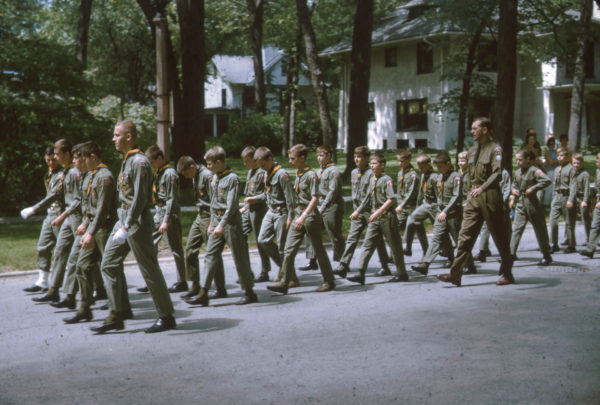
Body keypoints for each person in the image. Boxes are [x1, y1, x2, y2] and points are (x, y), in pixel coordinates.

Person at [91, 120, 176, 334]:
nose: (113, 139)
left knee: (148, 268)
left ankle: (166, 316)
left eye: (117, 135)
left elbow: (140, 197)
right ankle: (118, 312)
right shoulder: (127, 161)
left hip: (135, 222)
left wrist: (127, 226)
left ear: (129, 137)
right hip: (124, 219)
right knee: (108, 264)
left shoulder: (139, 162)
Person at [437, 117, 515, 287]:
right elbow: (469, 176)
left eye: (475, 128)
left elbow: (497, 173)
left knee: (499, 236)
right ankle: (455, 273)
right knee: (465, 236)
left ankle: (507, 273)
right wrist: (468, 196)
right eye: (471, 128)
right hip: (473, 197)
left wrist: (483, 188)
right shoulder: (472, 151)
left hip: (490, 195)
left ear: (485, 130)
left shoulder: (495, 150)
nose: (472, 131)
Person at [185, 146, 258, 306]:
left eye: (210, 164)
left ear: (219, 162)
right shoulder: (215, 178)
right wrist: (212, 223)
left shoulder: (232, 179)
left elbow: (232, 206)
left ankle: (249, 292)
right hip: (217, 221)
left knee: (239, 258)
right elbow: (212, 203)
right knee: (210, 255)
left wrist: (222, 224)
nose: (208, 167)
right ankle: (203, 292)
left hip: (231, 223)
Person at [266, 144, 336, 295]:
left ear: (302, 158)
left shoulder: (311, 175)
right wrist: (294, 216)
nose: (290, 162)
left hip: (309, 217)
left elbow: (315, 198)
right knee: (288, 249)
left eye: (293, 158)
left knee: (318, 250)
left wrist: (304, 216)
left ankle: (329, 281)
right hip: (299, 215)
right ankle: (285, 282)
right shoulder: (299, 173)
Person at [65, 141, 117, 324]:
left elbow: (103, 209)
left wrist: (91, 232)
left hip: (103, 229)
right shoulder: (91, 176)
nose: (80, 162)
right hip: (93, 228)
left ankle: (117, 312)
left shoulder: (104, 176)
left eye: (83, 158)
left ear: (93, 157)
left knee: (110, 269)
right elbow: (90, 208)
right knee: (82, 266)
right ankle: (84, 308)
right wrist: (86, 224)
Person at [346, 152, 409, 285]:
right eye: (371, 163)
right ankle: (360, 273)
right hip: (375, 217)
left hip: (387, 217)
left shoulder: (387, 180)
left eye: (375, 163)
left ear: (382, 165)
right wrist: (358, 211)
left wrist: (378, 212)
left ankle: (402, 273)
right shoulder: (372, 179)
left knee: (395, 246)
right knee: (367, 245)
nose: (372, 166)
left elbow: (391, 199)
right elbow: (367, 197)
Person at [32, 140, 82, 307]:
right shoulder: (66, 173)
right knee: (61, 251)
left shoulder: (74, 172)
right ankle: (54, 291)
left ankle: (97, 290)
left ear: (67, 154)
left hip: (75, 218)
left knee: (84, 257)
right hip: (67, 217)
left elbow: (78, 199)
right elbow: (55, 193)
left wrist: (63, 215)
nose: (55, 157)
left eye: (58, 154)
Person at [412, 152, 476, 275]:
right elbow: (438, 196)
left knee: (459, 241)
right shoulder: (439, 177)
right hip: (441, 214)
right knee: (436, 239)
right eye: (437, 166)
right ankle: (425, 264)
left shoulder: (456, 177)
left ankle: (470, 265)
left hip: (453, 214)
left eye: (441, 166)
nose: (438, 169)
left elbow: (456, 196)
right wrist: (438, 210)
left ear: (448, 164)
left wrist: (445, 211)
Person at [334, 146, 391, 278]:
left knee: (377, 240)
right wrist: (356, 208)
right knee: (351, 239)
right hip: (358, 211)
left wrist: (358, 210)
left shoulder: (372, 173)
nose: (356, 159)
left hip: (369, 211)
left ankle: (385, 266)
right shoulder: (354, 172)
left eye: (359, 157)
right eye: (355, 157)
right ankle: (343, 265)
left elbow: (369, 195)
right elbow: (355, 192)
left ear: (366, 158)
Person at [136, 145, 187, 294]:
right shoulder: (159, 172)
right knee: (149, 246)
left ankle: (182, 281)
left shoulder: (170, 174)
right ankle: (151, 279)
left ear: (160, 158)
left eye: (152, 162)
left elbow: (172, 199)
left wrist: (166, 220)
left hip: (169, 215)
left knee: (175, 248)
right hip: (158, 214)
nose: (151, 166)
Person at [178, 156, 226, 299]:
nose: (186, 177)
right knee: (189, 249)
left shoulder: (207, 176)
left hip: (209, 216)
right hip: (200, 216)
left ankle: (220, 288)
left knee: (212, 252)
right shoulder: (196, 175)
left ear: (192, 167)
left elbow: (215, 200)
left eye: (186, 173)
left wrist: (213, 222)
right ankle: (195, 284)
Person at [21, 147, 64, 293]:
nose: (51, 162)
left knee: (65, 252)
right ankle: (43, 281)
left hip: (60, 215)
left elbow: (52, 196)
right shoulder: (49, 174)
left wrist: (34, 209)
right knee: (43, 247)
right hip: (50, 214)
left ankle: (94, 286)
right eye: (48, 160)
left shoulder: (62, 174)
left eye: (53, 159)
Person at [300, 145, 344, 270]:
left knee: (334, 234)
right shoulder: (319, 171)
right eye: (318, 156)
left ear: (329, 155)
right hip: (319, 206)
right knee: (311, 231)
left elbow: (332, 191)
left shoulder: (334, 171)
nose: (319, 158)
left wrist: (322, 207)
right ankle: (312, 261)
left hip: (332, 206)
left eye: (321, 155)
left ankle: (342, 263)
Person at [254, 146, 295, 281]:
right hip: (270, 211)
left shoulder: (282, 175)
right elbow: (267, 194)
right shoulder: (266, 172)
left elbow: (290, 199)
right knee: (262, 240)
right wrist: (254, 199)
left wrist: (290, 217)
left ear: (270, 159)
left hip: (281, 212)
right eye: (260, 166)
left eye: (264, 164)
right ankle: (284, 269)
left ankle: (290, 277)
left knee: (283, 247)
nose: (262, 168)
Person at [508, 149, 553, 265]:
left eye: (520, 160)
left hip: (532, 203)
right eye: (516, 160)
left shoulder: (534, 171)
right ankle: (510, 254)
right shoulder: (518, 172)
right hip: (521, 203)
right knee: (516, 229)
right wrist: (513, 191)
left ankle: (546, 254)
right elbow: (514, 184)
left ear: (527, 159)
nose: (518, 162)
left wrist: (533, 189)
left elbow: (547, 181)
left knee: (540, 229)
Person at [474, 148, 511, 262]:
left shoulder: (504, 173)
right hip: (489, 203)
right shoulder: (488, 175)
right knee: (486, 227)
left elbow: (507, 189)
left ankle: (507, 252)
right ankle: (482, 251)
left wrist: (501, 202)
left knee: (505, 229)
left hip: (500, 205)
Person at [239, 146, 270, 282]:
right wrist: (245, 206)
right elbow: (248, 192)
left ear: (254, 159)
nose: (245, 164)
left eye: (247, 161)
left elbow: (267, 194)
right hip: (249, 209)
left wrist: (255, 199)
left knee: (260, 240)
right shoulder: (250, 172)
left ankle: (265, 271)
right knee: (241, 237)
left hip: (259, 209)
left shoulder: (263, 173)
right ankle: (247, 271)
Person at [405, 155, 439, 259]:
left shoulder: (434, 178)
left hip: (434, 207)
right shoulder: (424, 175)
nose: (420, 169)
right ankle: (408, 247)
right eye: (418, 166)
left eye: (422, 166)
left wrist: (441, 212)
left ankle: (450, 257)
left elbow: (439, 197)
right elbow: (421, 193)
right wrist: (418, 206)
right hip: (425, 205)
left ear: (428, 164)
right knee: (412, 220)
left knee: (441, 234)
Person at [549, 147, 577, 253]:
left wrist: (571, 200)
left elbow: (573, 185)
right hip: (557, 196)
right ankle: (554, 244)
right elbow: (554, 184)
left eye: (562, 155)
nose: (559, 158)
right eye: (558, 155)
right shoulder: (557, 169)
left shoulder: (571, 169)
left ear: (567, 157)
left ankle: (571, 245)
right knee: (553, 221)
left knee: (569, 223)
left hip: (567, 196)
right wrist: (553, 197)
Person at [395, 150, 419, 257]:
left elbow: (411, 192)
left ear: (408, 160)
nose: (400, 163)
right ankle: (394, 254)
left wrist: (402, 205)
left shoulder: (413, 175)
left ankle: (409, 248)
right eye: (399, 161)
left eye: (402, 161)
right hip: (401, 206)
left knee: (412, 227)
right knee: (396, 228)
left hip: (411, 206)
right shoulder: (400, 173)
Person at [580, 152, 600, 258]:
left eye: (598, 160)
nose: (596, 162)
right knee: (595, 226)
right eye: (596, 159)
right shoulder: (598, 171)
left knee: (596, 226)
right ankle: (590, 249)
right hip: (598, 202)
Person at [573, 153, 591, 243]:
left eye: (578, 163)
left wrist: (585, 201)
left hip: (582, 199)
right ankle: (568, 239)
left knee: (585, 219)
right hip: (574, 198)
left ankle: (589, 239)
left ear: (582, 164)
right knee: (570, 219)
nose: (576, 165)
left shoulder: (585, 174)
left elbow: (587, 188)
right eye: (574, 163)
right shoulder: (573, 173)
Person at [543, 137, 559, 209]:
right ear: (548, 145)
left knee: (556, 187)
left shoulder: (557, 152)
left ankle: (554, 203)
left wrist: (555, 160)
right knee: (549, 188)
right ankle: (546, 204)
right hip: (550, 172)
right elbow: (551, 162)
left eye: (553, 144)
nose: (552, 145)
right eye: (550, 144)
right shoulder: (547, 153)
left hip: (557, 171)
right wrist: (557, 160)